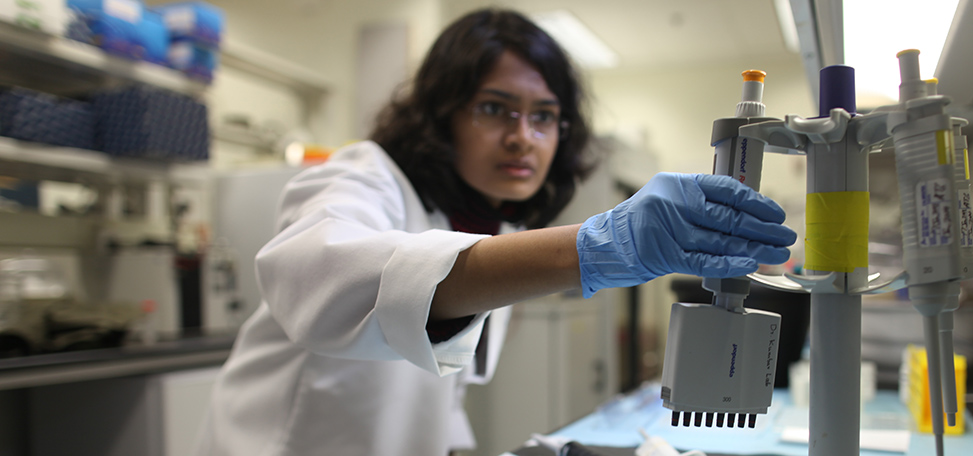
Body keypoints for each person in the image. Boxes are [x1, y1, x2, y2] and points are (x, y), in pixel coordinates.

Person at [195, 8, 797, 456]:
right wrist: (592, 247)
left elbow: (441, 389)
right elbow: (316, 277)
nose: (522, 137)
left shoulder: (497, 224)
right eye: (495, 108)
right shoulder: (364, 174)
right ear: (441, 113)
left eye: (543, 117)